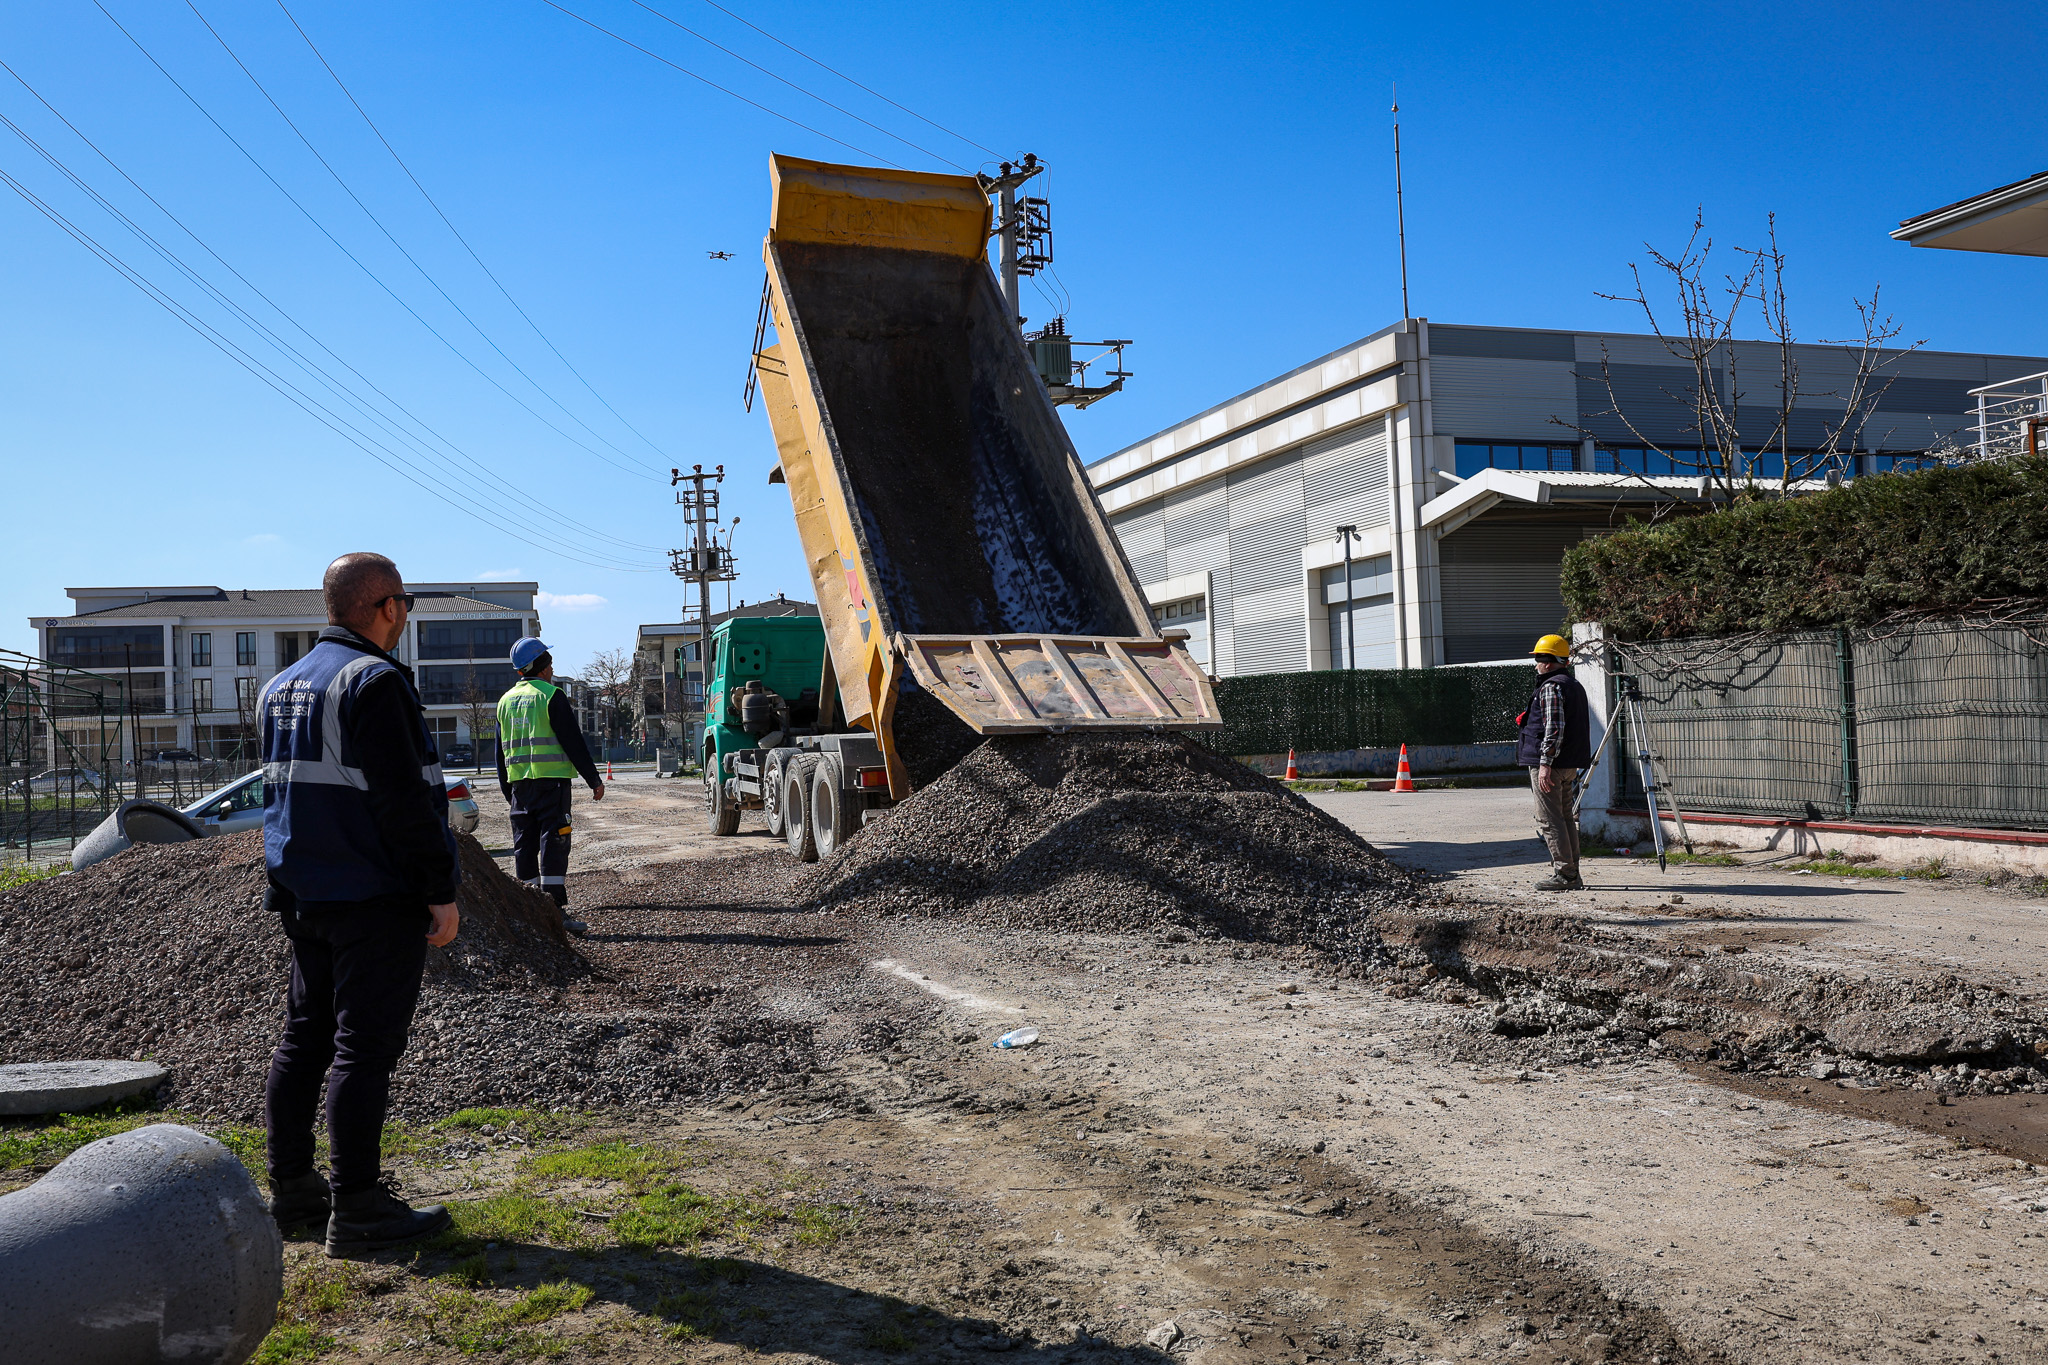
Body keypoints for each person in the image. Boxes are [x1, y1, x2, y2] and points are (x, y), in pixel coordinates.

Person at [259, 552, 460, 1256]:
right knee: (363, 1049)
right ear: (384, 605)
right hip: (372, 894)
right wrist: (439, 890)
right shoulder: (373, 680)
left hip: (303, 892)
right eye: (404, 602)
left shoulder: (281, 686)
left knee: (304, 1040)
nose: (405, 615)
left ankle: (292, 1188)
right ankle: (358, 1207)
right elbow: (404, 803)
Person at [495, 636, 604, 935]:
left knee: (524, 846)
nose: (553, 669)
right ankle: (554, 911)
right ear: (542, 668)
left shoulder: (505, 702)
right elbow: (573, 742)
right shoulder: (551, 696)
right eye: (550, 664)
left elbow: (500, 753)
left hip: (520, 787)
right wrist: (593, 779)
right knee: (553, 842)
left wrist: (508, 790)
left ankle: (529, 913)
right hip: (552, 785)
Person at [1518, 633, 1592, 892]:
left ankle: (1565, 874)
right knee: (1565, 817)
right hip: (1569, 763)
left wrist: (1545, 764)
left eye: (1538, 660)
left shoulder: (1551, 687)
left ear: (1548, 662)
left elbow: (1554, 728)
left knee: (1550, 819)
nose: (1536, 665)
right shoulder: (1574, 685)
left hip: (1552, 764)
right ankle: (1572, 870)